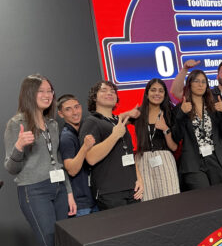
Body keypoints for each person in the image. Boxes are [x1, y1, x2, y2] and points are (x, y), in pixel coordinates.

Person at [4, 74, 76, 246]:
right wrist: (19, 147)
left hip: (58, 189)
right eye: (41, 91)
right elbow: (11, 168)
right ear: (29, 93)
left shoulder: (53, 124)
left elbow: (56, 160)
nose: (47, 95)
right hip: (32, 192)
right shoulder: (17, 124)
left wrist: (68, 191)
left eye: (50, 90)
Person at [79, 81, 144, 210]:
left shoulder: (117, 121)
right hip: (110, 192)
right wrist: (115, 136)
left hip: (132, 188)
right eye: (103, 90)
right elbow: (90, 158)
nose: (109, 93)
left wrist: (139, 179)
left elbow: (129, 154)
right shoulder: (91, 122)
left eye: (112, 91)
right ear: (94, 97)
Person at [171, 70, 222, 190]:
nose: (200, 84)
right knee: (204, 201)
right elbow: (176, 137)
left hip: (216, 159)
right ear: (189, 84)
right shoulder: (182, 107)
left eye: (204, 82)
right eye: (196, 81)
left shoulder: (214, 106)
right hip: (193, 163)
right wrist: (182, 114)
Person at [134, 79, 180, 201]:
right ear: (147, 93)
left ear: (165, 94)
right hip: (142, 160)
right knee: (148, 202)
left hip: (165, 159)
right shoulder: (137, 114)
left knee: (170, 200)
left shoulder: (170, 113)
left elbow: (174, 147)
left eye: (161, 91)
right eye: (153, 90)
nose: (157, 94)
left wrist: (165, 129)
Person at [57, 94, 98, 216]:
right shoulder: (66, 137)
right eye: (68, 109)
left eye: (76, 107)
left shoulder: (80, 132)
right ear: (61, 114)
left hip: (92, 198)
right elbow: (72, 170)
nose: (75, 112)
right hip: (81, 204)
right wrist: (85, 147)